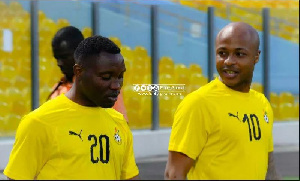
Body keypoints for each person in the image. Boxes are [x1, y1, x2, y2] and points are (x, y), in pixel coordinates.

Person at [4, 35, 140, 180]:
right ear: (78, 71)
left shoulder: (119, 123)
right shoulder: (39, 122)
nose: (116, 85)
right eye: (106, 77)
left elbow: (130, 177)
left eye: (120, 76)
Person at [164, 22, 281, 180]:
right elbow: (174, 174)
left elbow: (269, 167)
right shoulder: (198, 103)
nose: (228, 61)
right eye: (222, 53)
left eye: (239, 54)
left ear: (256, 57)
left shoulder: (262, 104)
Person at [49, 26, 128, 121]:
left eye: (64, 57)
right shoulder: (57, 89)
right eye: (57, 58)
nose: (59, 63)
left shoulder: (103, 85)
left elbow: (121, 124)